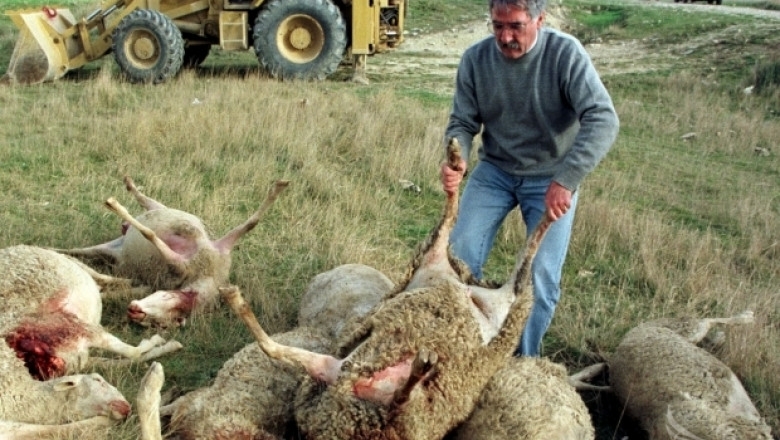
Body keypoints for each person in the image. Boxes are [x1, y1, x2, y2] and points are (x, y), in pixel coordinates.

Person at [440, 0, 619, 356]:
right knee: (456, 258)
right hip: (495, 171)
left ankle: (523, 362)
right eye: (497, 26)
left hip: (551, 177)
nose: (505, 37)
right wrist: (455, 157)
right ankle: (457, 351)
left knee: (539, 279)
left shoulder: (565, 54)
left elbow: (603, 119)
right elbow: (462, 123)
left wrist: (567, 180)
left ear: (540, 19)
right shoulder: (476, 60)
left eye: (516, 26)